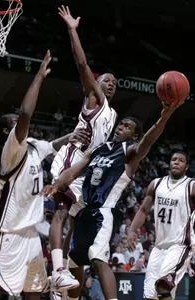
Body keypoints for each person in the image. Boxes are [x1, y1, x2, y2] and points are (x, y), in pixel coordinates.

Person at [42, 101, 180, 300]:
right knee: (74, 262)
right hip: (85, 212)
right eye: (121, 124)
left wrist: (164, 116)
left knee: (98, 260)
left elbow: (148, 141)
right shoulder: (98, 149)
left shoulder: (129, 152)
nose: (121, 127)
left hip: (103, 212)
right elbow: (74, 170)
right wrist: (57, 184)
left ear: (133, 136)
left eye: (127, 127)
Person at [0, 50, 89, 300]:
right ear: (6, 131)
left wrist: (72, 136)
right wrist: (38, 77)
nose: (21, 124)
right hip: (8, 232)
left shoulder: (34, 144)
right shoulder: (12, 148)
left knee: (34, 290)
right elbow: (25, 113)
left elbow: (53, 145)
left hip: (31, 233)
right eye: (13, 123)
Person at [49, 5, 117, 292]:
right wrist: (72, 31)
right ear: (96, 85)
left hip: (88, 171)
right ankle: (57, 269)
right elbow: (82, 65)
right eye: (106, 80)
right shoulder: (95, 98)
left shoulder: (112, 116)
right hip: (72, 160)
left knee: (76, 222)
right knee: (62, 211)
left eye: (114, 82)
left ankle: (61, 276)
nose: (110, 83)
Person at [127, 151, 195, 300]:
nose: (176, 162)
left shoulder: (191, 186)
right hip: (159, 246)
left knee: (163, 285)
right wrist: (132, 230)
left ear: (187, 166)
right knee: (151, 294)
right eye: (173, 159)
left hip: (180, 245)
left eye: (181, 160)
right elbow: (144, 210)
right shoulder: (156, 183)